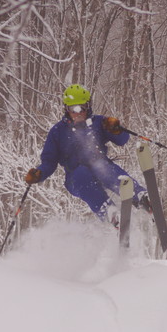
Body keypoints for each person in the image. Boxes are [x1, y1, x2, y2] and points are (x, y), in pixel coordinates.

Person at [24, 84, 150, 226]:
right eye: (73, 109)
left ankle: (140, 197)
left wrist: (116, 129)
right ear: (66, 109)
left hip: (101, 166)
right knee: (82, 174)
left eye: (81, 108)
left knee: (101, 167)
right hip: (75, 178)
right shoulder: (58, 131)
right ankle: (109, 212)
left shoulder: (99, 123)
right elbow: (49, 160)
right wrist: (39, 173)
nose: (77, 113)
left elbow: (122, 140)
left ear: (88, 106)